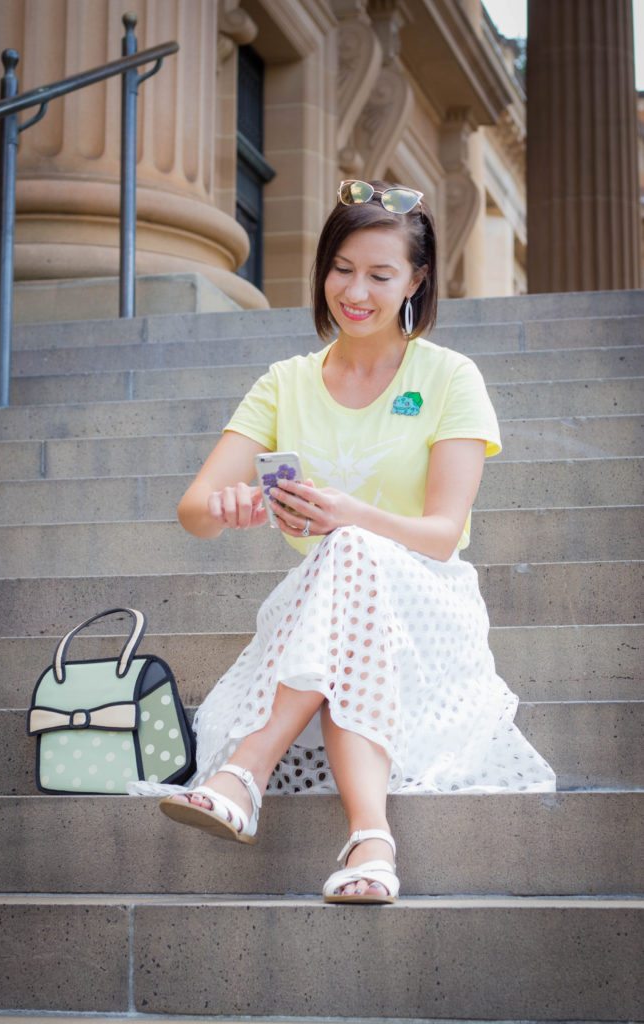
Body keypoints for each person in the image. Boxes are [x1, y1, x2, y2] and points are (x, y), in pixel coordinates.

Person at [159, 179, 556, 904]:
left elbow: (440, 536)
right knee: (346, 561)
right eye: (342, 268)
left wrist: (349, 515)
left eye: (379, 274)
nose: (356, 290)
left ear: (416, 279)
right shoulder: (284, 383)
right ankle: (368, 838)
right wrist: (232, 504)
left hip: (427, 604)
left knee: (350, 546)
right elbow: (193, 511)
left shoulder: (448, 377)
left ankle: (244, 772)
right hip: (327, 617)